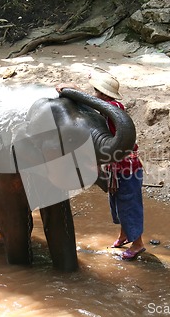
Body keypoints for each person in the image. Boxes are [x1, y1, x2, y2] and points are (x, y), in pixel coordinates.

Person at [56, 70, 146, 260]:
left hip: (126, 168)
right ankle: (124, 235)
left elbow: (93, 103)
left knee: (129, 205)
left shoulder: (112, 108)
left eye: (97, 92)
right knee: (119, 203)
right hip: (118, 166)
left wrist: (75, 89)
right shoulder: (110, 107)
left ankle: (138, 244)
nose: (95, 95)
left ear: (104, 95)